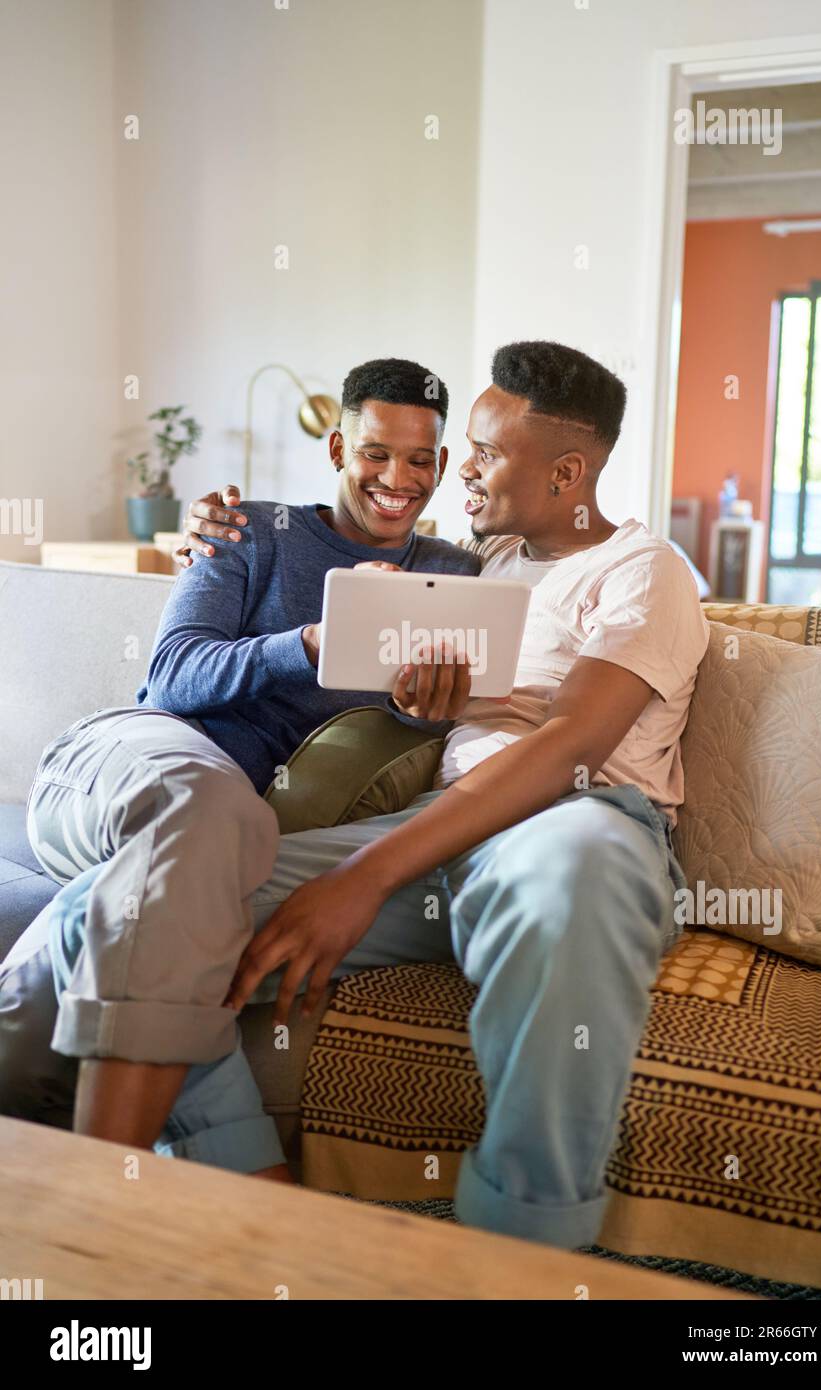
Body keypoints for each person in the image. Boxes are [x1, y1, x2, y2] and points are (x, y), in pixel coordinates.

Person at [5, 341, 710, 1250]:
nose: (458, 472)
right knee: (122, 908)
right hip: (434, 831)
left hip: (571, 820)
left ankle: (522, 1257)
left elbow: (569, 748)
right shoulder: (478, 565)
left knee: (568, 878)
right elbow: (412, 679)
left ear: (567, 472)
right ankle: (242, 1183)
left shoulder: (642, 571)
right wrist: (420, 699)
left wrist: (363, 877)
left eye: (480, 454)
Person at [0, 358, 475, 1181]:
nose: (398, 479)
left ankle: (243, 1206)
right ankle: (111, 1192)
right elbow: (174, 676)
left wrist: (422, 709)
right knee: (211, 809)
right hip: (132, 761)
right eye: (374, 453)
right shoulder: (249, 531)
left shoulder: (458, 576)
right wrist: (313, 642)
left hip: (223, 837)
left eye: (420, 459)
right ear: (335, 448)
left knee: (205, 868)